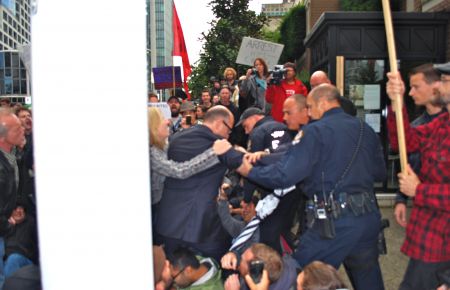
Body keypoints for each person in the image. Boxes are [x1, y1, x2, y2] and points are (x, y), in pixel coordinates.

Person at [238, 84, 386, 290]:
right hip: (367, 218)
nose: (308, 111)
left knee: (298, 276)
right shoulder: (365, 129)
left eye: (309, 106)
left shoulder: (314, 131)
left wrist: (249, 172)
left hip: (333, 223)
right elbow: (380, 172)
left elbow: (285, 176)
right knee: (368, 281)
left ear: (323, 103)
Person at [386, 63, 450, 290]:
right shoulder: (442, 124)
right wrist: (397, 102)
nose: (441, 85)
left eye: (445, 80)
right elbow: (405, 141)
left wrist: (419, 191)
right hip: (430, 238)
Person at [155, 106, 243, 262]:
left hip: (167, 224)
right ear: (219, 123)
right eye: (228, 130)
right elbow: (248, 165)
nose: (228, 135)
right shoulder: (219, 146)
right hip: (203, 230)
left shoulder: (175, 139)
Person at [148, 107, 231, 224]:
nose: (168, 121)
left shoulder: (160, 147)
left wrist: (186, 131)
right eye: (162, 119)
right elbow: (180, 170)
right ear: (153, 126)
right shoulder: (150, 154)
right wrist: (213, 153)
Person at [391, 64, 445, 228]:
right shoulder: (418, 126)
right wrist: (401, 199)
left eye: (416, 87)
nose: (411, 92)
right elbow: (408, 159)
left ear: (436, 86)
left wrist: (419, 190)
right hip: (424, 211)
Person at [236, 107, 295, 253]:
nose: (246, 131)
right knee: (284, 228)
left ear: (254, 117)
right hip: (293, 187)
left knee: (269, 234)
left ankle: (280, 267)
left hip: (272, 190)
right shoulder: (284, 127)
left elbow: (251, 167)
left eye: (245, 126)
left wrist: (247, 197)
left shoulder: (258, 132)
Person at [0, 108, 27, 288]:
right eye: (17, 129)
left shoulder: (14, 154)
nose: (23, 130)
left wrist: (16, 207)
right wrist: (8, 223)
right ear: (2, 137)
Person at [221, 243, 298, 290]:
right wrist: (234, 254)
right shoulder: (288, 264)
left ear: (253, 278)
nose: (238, 259)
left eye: (241, 259)